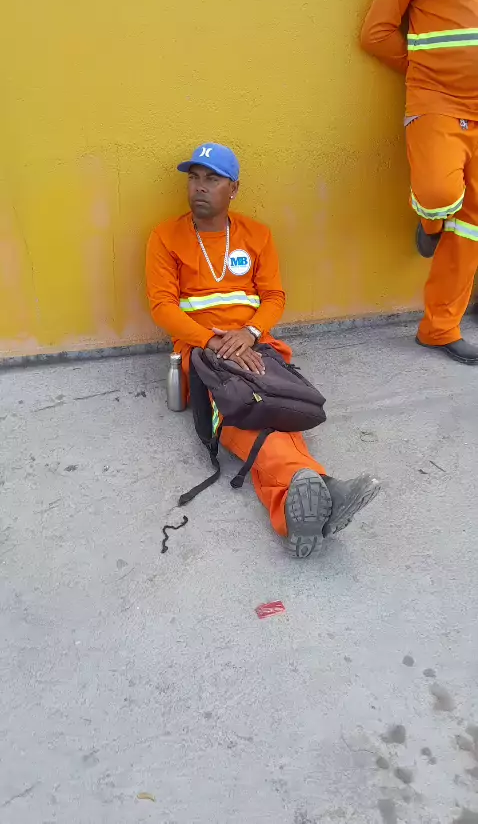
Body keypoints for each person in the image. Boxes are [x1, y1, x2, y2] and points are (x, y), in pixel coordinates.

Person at [146, 143, 381, 558]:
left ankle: (293, 509)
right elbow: (162, 306)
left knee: (276, 404)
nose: (199, 187)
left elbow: (274, 296)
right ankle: (322, 485)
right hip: (202, 351)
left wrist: (251, 333)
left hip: (256, 346)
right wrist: (214, 341)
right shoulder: (166, 237)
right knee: (240, 405)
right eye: (194, 178)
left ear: (233, 189)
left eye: (212, 179)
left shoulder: (257, 235)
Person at [361, 0, 478, 365]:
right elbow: (375, 34)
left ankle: (440, 329)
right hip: (437, 102)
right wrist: (423, 70)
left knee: (471, 227)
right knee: (438, 195)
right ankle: (430, 225)